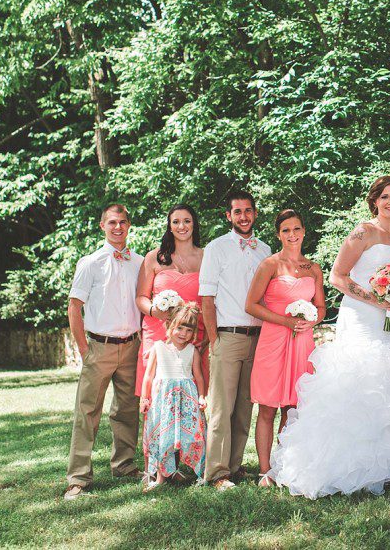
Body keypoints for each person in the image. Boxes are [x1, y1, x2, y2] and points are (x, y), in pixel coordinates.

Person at [267, 177, 390, 498]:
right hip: (362, 315)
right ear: (374, 201)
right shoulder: (362, 232)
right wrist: (375, 298)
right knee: (357, 379)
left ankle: (384, 463)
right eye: (385, 197)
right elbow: (338, 275)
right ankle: (340, 463)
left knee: (386, 381)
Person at [63, 204, 143, 500]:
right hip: (99, 346)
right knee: (87, 412)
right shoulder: (91, 262)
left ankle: (124, 464)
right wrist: (84, 349)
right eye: (112, 222)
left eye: (122, 221)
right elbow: (74, 307)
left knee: (127, 410)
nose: (118, 227)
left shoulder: (139, 262)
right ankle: (78, 478)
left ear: (129, 224)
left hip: (132, 346)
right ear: (102, 226)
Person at [246, 209, 326, 487]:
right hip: (273, 339)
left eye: (296, 229)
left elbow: (321, 307)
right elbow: (251, 305)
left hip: (302, 342)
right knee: (268, 406)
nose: (292, 235)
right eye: (285, 230)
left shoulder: (313, 268)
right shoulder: (270, 265)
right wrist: (285, 321)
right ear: (278, 234)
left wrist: (312, 320)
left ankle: (283, 465)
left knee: (292, 407)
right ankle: (264, 470)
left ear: (304, 231)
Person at [200, 190, 272, 490]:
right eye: (237, 212)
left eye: (248, 211)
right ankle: (217, 472)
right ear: (228, 216)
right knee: (221, 407)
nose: (243, 216)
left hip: (258, 338)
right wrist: (214, 338)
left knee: (245, 406)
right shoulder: (216, 248)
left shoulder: (265, 250)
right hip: (228, 337)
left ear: (255, 213)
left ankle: (235, 464)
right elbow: (206, 297)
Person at [135, 204, 207, 399]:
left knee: (193, 392)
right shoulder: (154, 258)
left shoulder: (206, 257)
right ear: (169, 226)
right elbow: (140, 297)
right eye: (176, 222)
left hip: (193, 333)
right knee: (156, 393)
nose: (181, 226)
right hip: (159, 331)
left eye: (186, 221)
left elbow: (213, 300)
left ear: (194, 225)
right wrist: (153, 311)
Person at [139, 303, 208, 492]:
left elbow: (199, 376)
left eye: (188, 330)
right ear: (170, 325)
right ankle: (160, 476)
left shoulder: (192, 351)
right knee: (163, 435)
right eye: (179, 328)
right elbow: (149, 376)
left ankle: (199, 472)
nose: (183, 334)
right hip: (163, 400)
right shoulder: (158, 347)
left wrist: (202, 396)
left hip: (186, 399)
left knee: (192, 434)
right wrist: (145, 399)